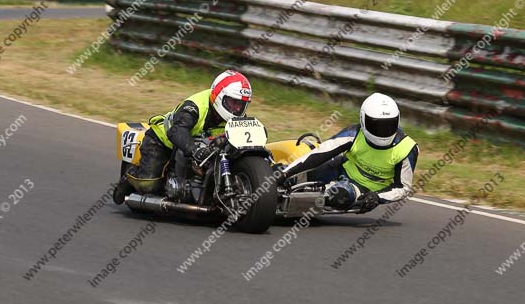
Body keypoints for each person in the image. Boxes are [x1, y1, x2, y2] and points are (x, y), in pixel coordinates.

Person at [113, 70, 253, 203]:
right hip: (162, 141)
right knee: (148, 186)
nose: (237, 109)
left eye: (241, 105)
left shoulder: (236, 117)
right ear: (219, 96)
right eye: (233, 103)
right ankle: (128, 179)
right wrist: (195, 150)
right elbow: (177, 131)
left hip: (200, 147)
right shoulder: (195, 106)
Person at [281, 93, 418, 213]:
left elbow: (403, 188)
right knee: (281, 173)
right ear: (363, 120)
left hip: (363, 190)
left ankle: (311, 197)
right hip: (339, 170)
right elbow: (322, 152)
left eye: (388, 125)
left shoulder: (407, 148)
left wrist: (377, 197)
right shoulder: (354, 134)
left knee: (339, 195)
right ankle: (282, 183)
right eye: (376, 125)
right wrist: (286, 173)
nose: (383, 131)